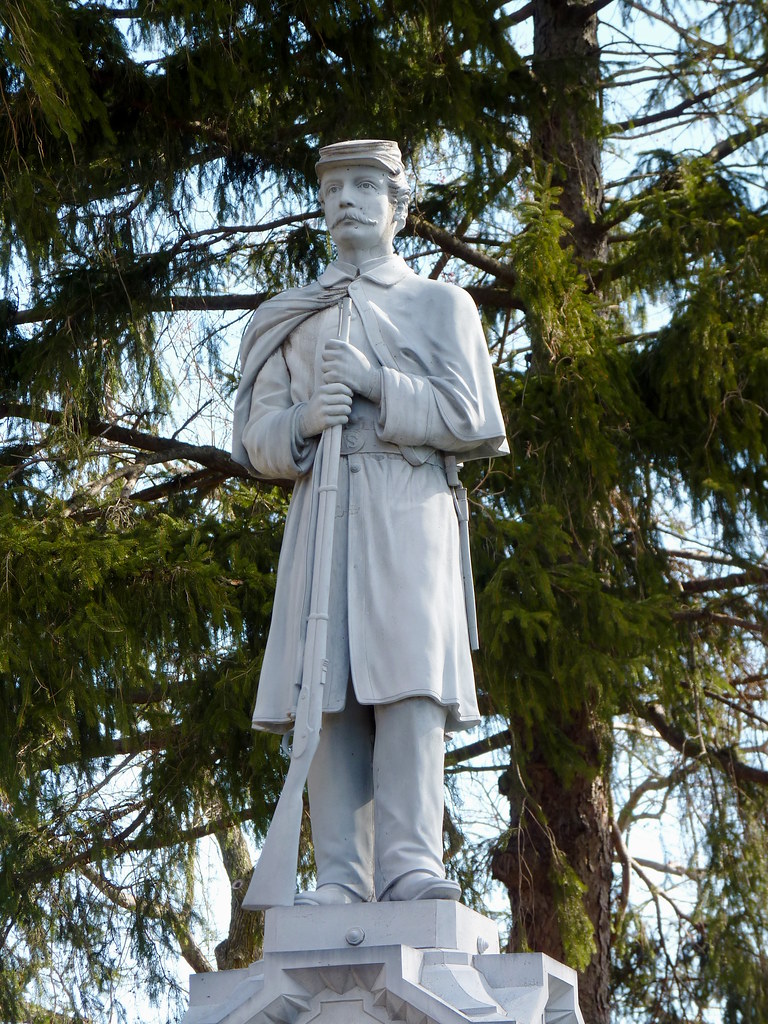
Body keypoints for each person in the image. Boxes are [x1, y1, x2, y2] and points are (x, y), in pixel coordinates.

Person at [232, 139, 508, 905]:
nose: (345, 199)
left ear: (399, 205)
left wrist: (376, 386)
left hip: (408, 502)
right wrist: (298, 423)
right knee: (326, 683)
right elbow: (256, 441)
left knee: (410, 681)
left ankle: (413, 865)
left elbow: (473, 420)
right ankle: (340, 877)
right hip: (323, 507)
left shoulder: (439, 305)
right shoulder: (289, 317)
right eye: (331, 188)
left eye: (363, 185)